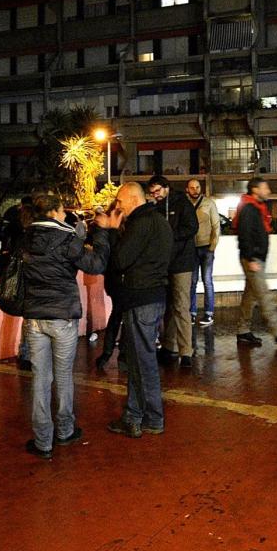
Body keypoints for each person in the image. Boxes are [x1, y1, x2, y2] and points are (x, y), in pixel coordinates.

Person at [18, 194, 111, 458]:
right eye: (62, 211)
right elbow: (96, 265)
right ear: (55, 212)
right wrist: (100, 233)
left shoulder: (25, 236)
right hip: (63, 317)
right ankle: (65, 430)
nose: (64, 215)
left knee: (40, 377)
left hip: (34, 316)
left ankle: (43, 441)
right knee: (63, 376)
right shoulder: (67, 238)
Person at [95, 183, 172, 438]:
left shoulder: (140, 224)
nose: (118, 206)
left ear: (134, 199)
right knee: (140, 360)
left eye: (120, 201)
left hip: (140, 298)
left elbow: (119, 260)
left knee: (142, 362)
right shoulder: (159, 221)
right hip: (154, 295)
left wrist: (112, 231)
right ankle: (134, 415)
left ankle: (151, 417)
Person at [233, 178, 277, 347]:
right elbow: (245, 234)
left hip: (256, 258)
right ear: (255, 190)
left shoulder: (255, 207)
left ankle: (243, 330)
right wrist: (250, 259)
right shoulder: (249, 209)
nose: (268, 191)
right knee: (264, 295)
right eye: (265, 188)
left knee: (250, 297)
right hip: (253, 259)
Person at [147, 175, 198, 368]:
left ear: (166, 188)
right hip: (165, 262)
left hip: (182, 262)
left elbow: (192, 227)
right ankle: (169, 345)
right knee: (168, 305)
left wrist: (169, 236)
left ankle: (186, 351)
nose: (155, 195)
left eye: (157, 191)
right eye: (152, 193)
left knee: (181, 306)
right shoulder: (157, 207)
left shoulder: (183, 204)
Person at [185, 178, 219, 326]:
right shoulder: (185, 204)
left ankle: (209, 313)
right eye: (192, 188)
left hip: (206, 247)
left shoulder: (209, 203)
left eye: (197, 187)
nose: (195, 190)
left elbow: (216, 225)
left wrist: (212, 246)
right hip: (191, 248)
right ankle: (191, 313)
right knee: (191, 282)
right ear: (187, 189)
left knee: (207, 281)